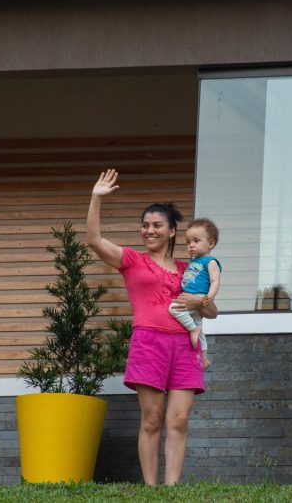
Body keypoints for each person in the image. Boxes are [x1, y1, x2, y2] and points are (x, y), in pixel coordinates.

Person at [86, 168, 216, 486]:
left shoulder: (189, 268)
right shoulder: (132, 260)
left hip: (186, 346)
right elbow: (94, 240)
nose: (149, 231)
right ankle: (151, 489)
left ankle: (171, 489)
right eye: (145, 225)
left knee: (179, 419)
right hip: (149, 343)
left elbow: (211, 312)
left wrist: (200, 301)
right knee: (152, 419)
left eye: (157, 225)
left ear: (172, 231)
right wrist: (96, 199)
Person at [169, 218, 222, 370]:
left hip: (199, 296)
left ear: (210, 243)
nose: (191, 245)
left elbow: (215, 281)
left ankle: (192, 330)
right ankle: (204, 359)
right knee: (200, 328)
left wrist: (208, 298)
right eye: (188, 242)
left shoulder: (210, 261)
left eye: (196, 241)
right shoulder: (194, 262)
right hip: (192, 296)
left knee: (173, 309)